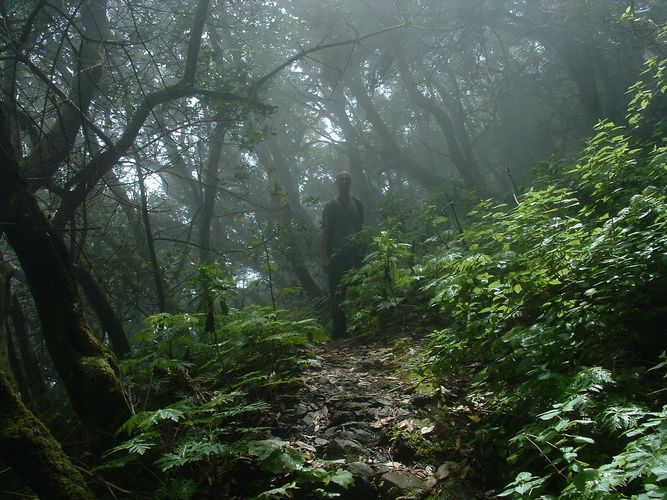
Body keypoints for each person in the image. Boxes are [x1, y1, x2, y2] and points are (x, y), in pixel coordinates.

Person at [320, 170, 364, 338]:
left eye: (347, 178)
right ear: (337, 183)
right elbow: (325, 232)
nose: (344, 181)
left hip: (356, 255)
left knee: (359, 290)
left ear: (351, 182)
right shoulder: (331, 206)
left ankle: (360, 326)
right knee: (337, 294)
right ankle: (339, 332)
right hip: (337, 257)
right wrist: (324, 257)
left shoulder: (358, 204)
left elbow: (360, 229)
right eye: (341, 179)